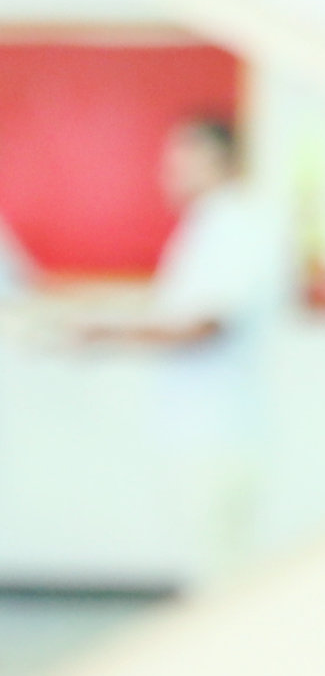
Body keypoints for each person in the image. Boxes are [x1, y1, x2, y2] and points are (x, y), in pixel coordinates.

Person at [63, 106, 304, 572]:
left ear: (223, 161)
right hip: (198, 431)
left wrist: (106, 333)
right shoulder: (208, 226)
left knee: (223, 573)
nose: (169, 173)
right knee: (211, 563)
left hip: (219, 434)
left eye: (183, 160)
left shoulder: (237, 226)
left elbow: (204, 325)